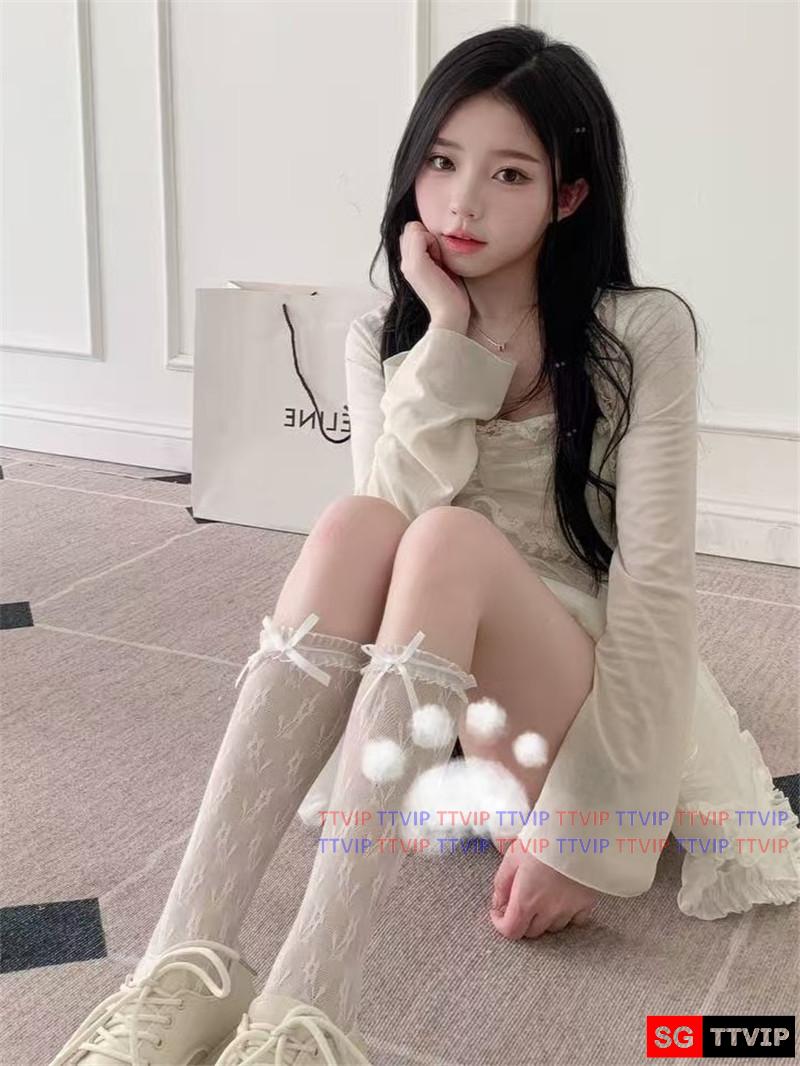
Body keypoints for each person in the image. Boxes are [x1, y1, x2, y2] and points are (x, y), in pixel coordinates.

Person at [49, 23, 800, 1066]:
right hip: (434, 675)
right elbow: (383, 528)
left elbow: (656, 586)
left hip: (571, 690)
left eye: (508, 174)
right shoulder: (386, 338)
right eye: (441, 163)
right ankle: (182, 964)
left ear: (569, 196)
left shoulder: (640, 333)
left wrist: (583, 833)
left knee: (448, 540)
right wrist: (447, 335)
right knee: (360, 522)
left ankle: (308, 1010)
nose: (461, 204)